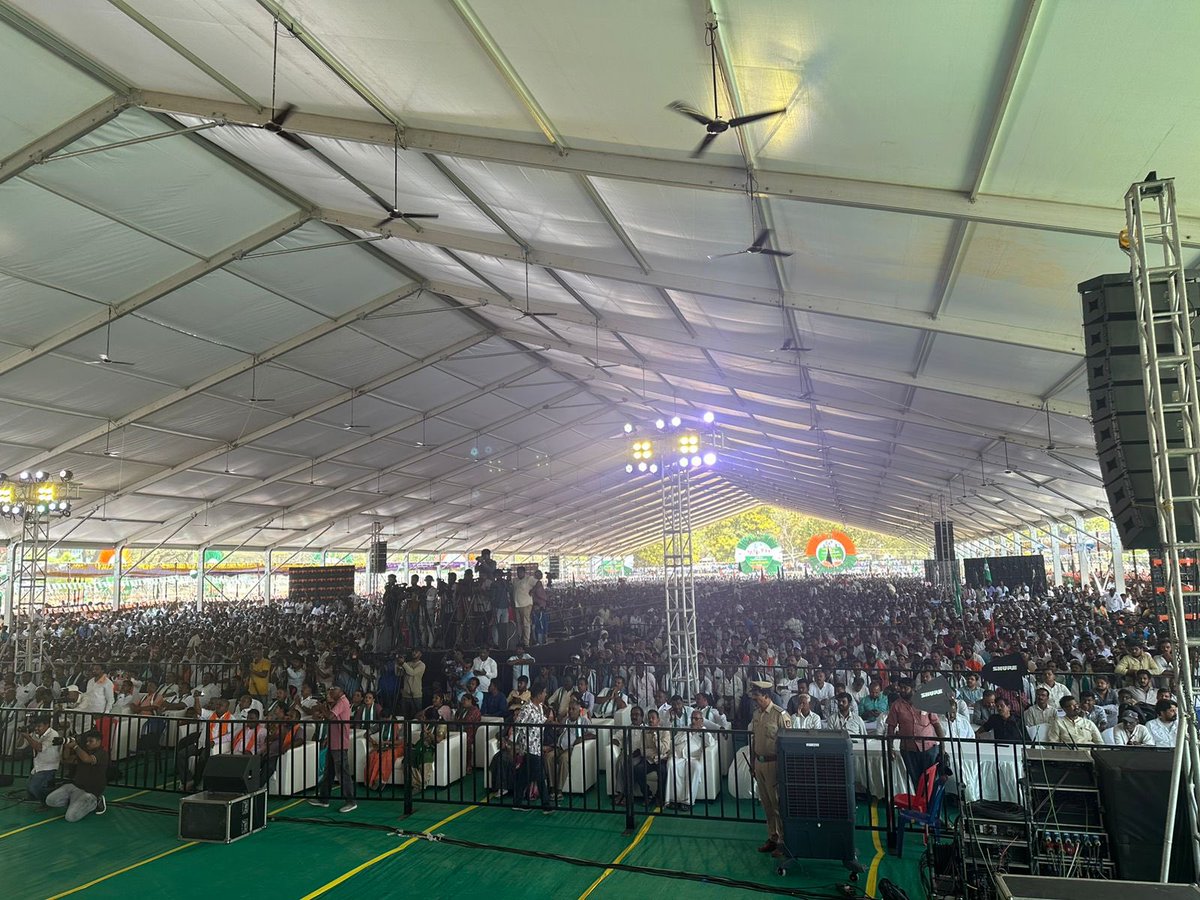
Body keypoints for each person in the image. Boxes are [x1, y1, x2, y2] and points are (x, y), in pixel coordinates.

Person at [749, 681, 791, 855]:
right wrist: (753, 762)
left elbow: (787, 744)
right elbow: (755, 740)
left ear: (766, 696)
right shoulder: (756, 714)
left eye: (758, 698)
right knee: (766, 803)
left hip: (774, 764)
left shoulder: (780, 715)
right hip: (759, 762)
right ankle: (772, 836)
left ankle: (783, 840)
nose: (755, 702)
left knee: (776, 804)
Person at [885, 679, 945, 790]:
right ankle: (920, 805)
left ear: (913, 689)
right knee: (916, 779)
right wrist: (890, 747)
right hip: (908, 748)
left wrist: (942, 746)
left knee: (932, 779)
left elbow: (936, 723)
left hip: (929, 747)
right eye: (900, 687)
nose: (902, 690)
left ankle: (933, 806)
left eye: (905, 688)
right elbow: (891, 727)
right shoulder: (896, 705)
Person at [308, 686, 357, 813]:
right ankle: (324, 799)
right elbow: (332, 719)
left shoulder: (342, 702)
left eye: (332, 690)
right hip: (333, 741)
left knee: (343, 773)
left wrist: (321, 707)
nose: (330, 693)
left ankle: (350, 801)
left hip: (339, 743)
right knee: (328, 772)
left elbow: (330, 716)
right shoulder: (338, 702)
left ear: (340, 691)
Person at [45, 729, 108, 821]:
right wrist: (67, 746)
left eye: (91, 741)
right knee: (50, 800)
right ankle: (75, 802)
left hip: (90, 791)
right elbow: (66, 759)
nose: (87, 743)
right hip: (76, 786)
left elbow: (87, 759)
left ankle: (96, 802)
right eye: (87, 741)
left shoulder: (102, 754)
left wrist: (75, 746)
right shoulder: (84, 751)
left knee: (71, 817)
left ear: (99, 741)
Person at [513, 683, 553, 813]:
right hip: (529, 746)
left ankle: (517, 802)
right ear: (539, 694)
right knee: (540, 776)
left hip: (537, 745)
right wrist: (514, 742)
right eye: (544, 692)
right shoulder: (527, 708)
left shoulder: (540, 707)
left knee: (525, 775)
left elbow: (542, 721)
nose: (545, 695)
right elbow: (518, 724)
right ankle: (546, 805)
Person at [664, 709, 714, 809]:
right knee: (671, 764)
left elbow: (711, 743)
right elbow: (675, 741)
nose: (694, 721)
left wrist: (701, 731)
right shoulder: (685, 729)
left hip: (693, 758)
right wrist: (688, 733)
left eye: (696, 719)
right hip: (679, 756)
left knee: (697, 767)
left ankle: (687, 801)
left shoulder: (704, 731)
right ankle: (672, 800)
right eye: (692, 718)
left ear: (701, 720)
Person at [20, 715, 62, 804]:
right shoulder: (35, 734)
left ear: (47, 725)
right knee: (29, 789)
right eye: (35, 726)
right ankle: (43, 793)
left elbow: (40, 748)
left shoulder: (53, 735)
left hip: (49, 767)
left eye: (39, 726)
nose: (36, 729)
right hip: (38, 766)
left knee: (34, 787)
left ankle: (47, 802)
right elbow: (20, 746)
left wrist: (28, 737)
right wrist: (22, 735)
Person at [512, 566, 536, 646]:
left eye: (520, 572)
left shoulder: (529, 579)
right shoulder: (515, 580)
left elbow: (538, 583)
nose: (519, 574)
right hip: (517, 605)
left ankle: (526, 642)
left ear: (524, 572)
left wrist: (533, 591)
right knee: (518, 624)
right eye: (517, 572)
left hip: (526, 605)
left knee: (526, 624)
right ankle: (519, 640)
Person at [401, 650, 425, 720]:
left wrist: (403, 663)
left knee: (416, 717)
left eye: (416, 652)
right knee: (405, 717)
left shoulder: (422, 665)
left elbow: (412, 672)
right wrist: (397, 663)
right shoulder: (407, 663)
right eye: (413, 651)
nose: (414, 653)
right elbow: (398, 673)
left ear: (420, 654)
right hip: (405, 695)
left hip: (416, 695)